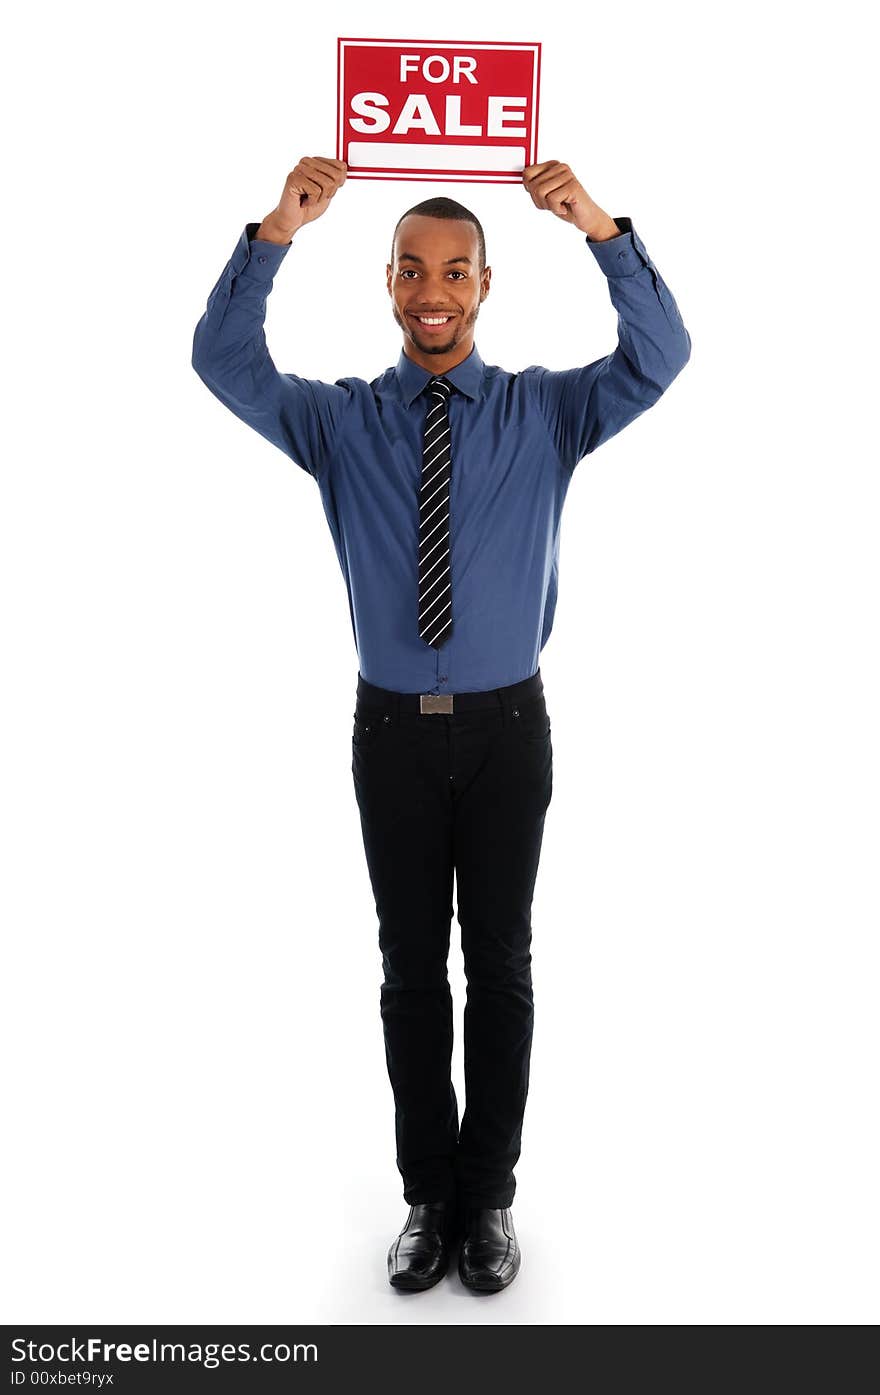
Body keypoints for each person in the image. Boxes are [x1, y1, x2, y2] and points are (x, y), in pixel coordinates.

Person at [191, 154, 691, 1294]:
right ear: (386, 283)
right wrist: (274, 233)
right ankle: (429, 1195)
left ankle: (491, 1199)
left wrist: (601, 229)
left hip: (509, 733)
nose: (434, 289)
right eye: (413, 270)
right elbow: (221, 361)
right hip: (392, 738)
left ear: (484, 286)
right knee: (410, 968)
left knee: (501, 967)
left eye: (455, 271)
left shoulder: (547, 410)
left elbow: (660, 357)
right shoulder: (341, 423)